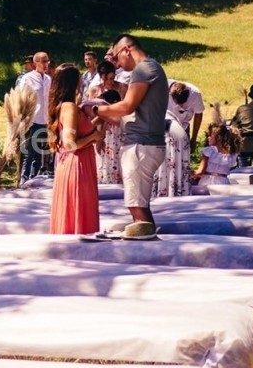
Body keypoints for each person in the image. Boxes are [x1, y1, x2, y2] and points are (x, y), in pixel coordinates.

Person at [90, 35, 168, 232]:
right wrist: (104, 113)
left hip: (141, 146)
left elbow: (126, 106)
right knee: (139, 204)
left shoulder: (143, 69)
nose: (115, 65)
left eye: (115, 58)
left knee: (136, 206)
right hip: (144, 143)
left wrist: (96, 109)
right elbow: (126, 116)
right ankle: (148, 242)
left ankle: (149, 250)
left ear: (126, 49)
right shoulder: (150, 68)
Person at [50, 63, 101, 234]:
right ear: (73, 82)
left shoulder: (63, 106)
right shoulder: (70, 107)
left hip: (75, 163)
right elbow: (70, 143)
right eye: (79, 78)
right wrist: (94, 137)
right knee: (80, 211)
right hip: (78, 166)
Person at [16, 51, 53, 180]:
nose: (45, 64)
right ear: (35, 63)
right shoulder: (27, 78)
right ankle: (24, 179)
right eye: (42, 61)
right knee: (29, 153)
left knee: (39, 153)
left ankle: (34, 179)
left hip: (45, 120)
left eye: (47, 61)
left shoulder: (48, 79)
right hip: (32, 120)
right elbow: (20, 98)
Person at [191, 121, 242, 194]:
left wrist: (190, 175)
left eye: (210, 135)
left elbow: (200, 171)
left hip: (208, 182)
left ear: (218, 138)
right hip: (224, 182)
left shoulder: (209, 151)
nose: (208, 137)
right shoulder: (231, 154)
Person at [168, 81, 205, 147]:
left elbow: (198, 114)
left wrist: (194, 138)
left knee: (184, 152)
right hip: (165, 126)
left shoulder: (195, 95)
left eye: (183, 102)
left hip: (183, 126)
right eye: (178, 103)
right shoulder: (162, 90)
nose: (181, 106)